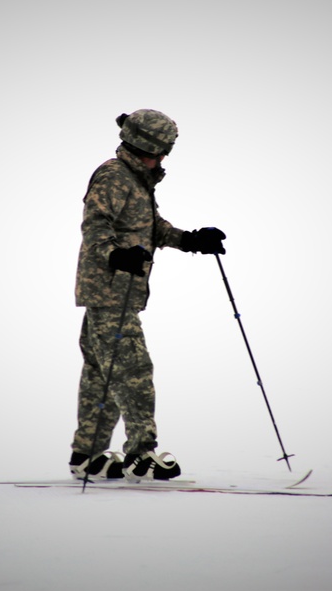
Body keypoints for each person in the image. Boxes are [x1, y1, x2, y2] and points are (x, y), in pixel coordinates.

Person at [70, 109, 226, 481]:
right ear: (144, 146)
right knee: (133, 370)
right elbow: (95, 227)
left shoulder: (137, 180)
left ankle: (87, 456)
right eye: (160, 151)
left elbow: (151, 227)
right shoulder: (113, 176)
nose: (164, 158)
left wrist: (189, 240)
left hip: (118, 291)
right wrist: (115, 254)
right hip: (111, 290)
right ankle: (141, 454)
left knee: (102, 373)